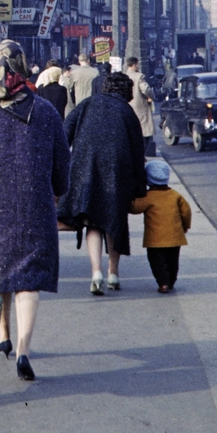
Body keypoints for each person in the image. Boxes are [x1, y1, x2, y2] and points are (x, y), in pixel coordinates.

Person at [0, 39, 70, 381]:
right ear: (23, 68)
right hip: (34, 207)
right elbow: (63, 162)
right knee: (28, 281)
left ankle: (2, 333)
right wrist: (58, 192)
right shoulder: (45, 112)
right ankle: (23, 349)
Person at [58, 71, 147, 295]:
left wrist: (62, 166)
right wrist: (140, 185)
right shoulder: (128, 112)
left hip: (85, 170)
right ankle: (113, 273)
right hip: (118, 172)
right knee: (115, 220)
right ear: (127, 92)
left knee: (93, 222)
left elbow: (64, 133)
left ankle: (96, 271)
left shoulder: (88, 103)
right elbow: (138, 152)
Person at [130, 159, 191, 293]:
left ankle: (163, 283)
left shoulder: (148, 196)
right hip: (175, 237)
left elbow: (134, 208)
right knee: (173, 261)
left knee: (157, 261)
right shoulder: (175, 195)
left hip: (155, 239)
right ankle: (171, 281)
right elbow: (186, 212)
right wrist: (185, 226)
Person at [127, 65, 157, 157]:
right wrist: (152, 97)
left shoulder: (124, 76)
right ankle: (140, 155)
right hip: (140, 107)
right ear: (134, 65)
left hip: (127, 106)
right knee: (145, 132)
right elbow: (146, 89)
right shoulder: (139, 76)